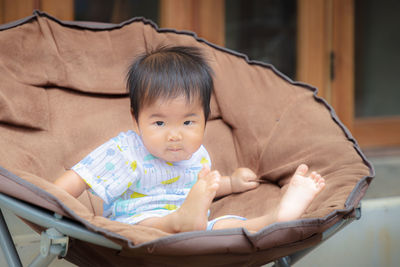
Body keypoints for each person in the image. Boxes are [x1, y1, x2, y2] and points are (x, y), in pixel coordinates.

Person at [54, 46, 325, 233]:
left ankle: (274, 218)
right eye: (159, 123)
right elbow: (78, 179)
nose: (175, 134)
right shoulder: (125, 151)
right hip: (136, 228)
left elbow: (202, 187)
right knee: (149, 227)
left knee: (222, 228)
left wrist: (231, 183)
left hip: (194, 227)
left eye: (188, 122)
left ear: (205, 119)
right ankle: (180, 220)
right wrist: (47, 205)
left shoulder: (197, 155)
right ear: (136, 119)